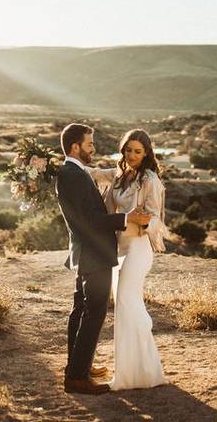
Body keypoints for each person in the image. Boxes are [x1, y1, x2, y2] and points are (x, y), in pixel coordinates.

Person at [56, 123, 152, 395]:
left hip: (87, 252)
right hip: (93, 253)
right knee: (93, 312)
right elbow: (88, 220)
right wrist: (126, 218)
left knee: (80, 310)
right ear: (75, 146)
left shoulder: (74, 171)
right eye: (89, 144)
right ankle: (77, 377)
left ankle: (77, 367)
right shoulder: (71, 174)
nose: (93, 148)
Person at [86, 128, 169, 390]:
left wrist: (144, 222)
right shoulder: (119, 174)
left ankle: (136, 372)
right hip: (118, 249)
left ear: (146, 154)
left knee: (125, 302)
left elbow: (157, 220)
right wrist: (62, 166)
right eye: (128, 150)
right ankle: (141, 370)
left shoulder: (150, 180)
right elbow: (91, 174)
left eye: (137, 151)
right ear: (122, 150)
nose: (131, 155)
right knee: (125, 307)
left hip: (138, 247)